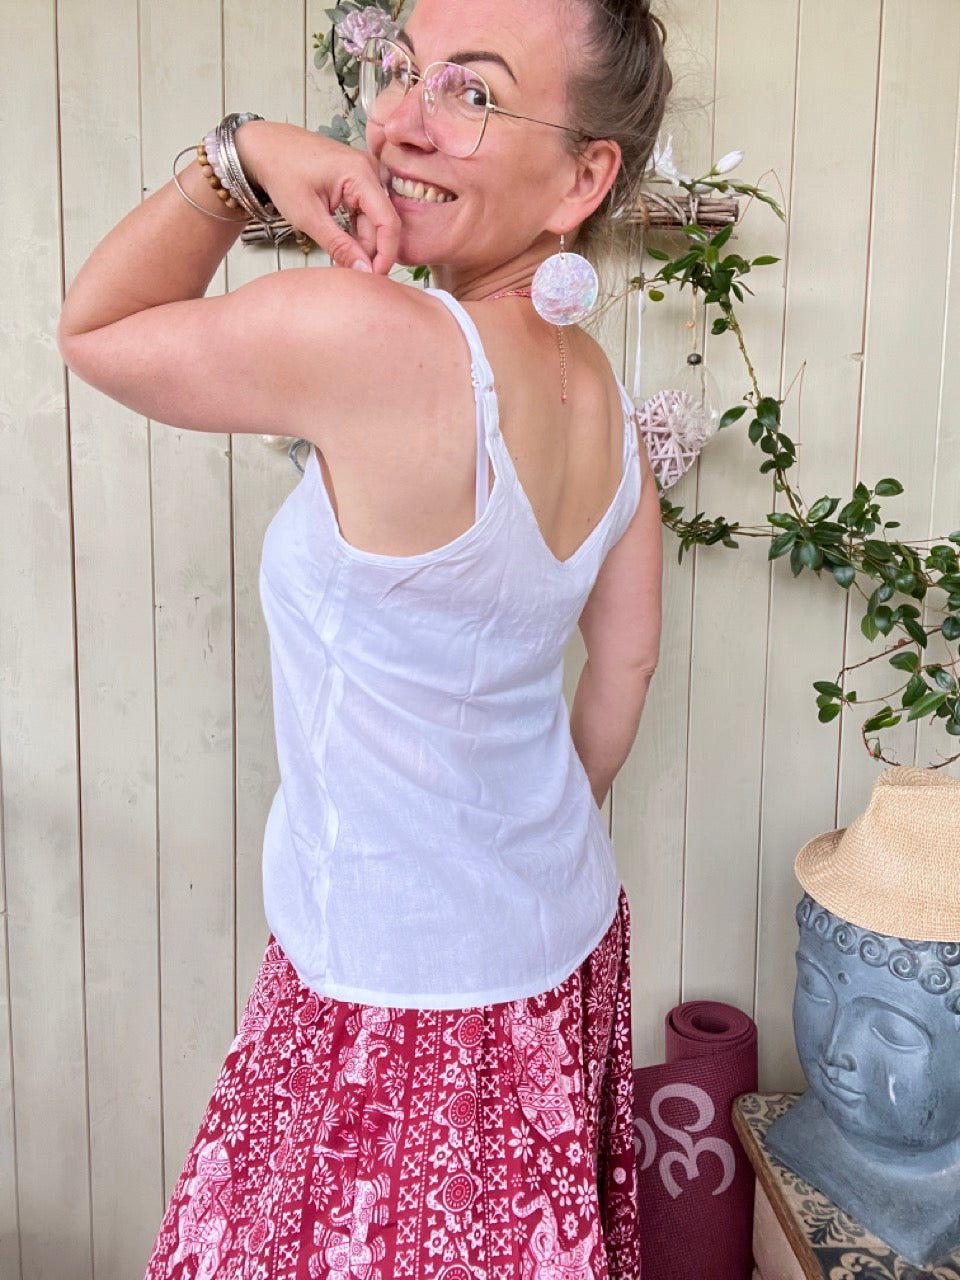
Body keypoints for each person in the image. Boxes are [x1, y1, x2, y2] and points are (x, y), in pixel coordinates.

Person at [57, 0, 670, 1275]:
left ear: (585, 179)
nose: (399, 119)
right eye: (406, 72)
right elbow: (623, 669)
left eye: (473, 92)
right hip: (558, 942)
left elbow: (95, 331)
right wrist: (510, 853)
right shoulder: (606, 398)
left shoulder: (377, 341)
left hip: (394, 998)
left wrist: (243, 156)